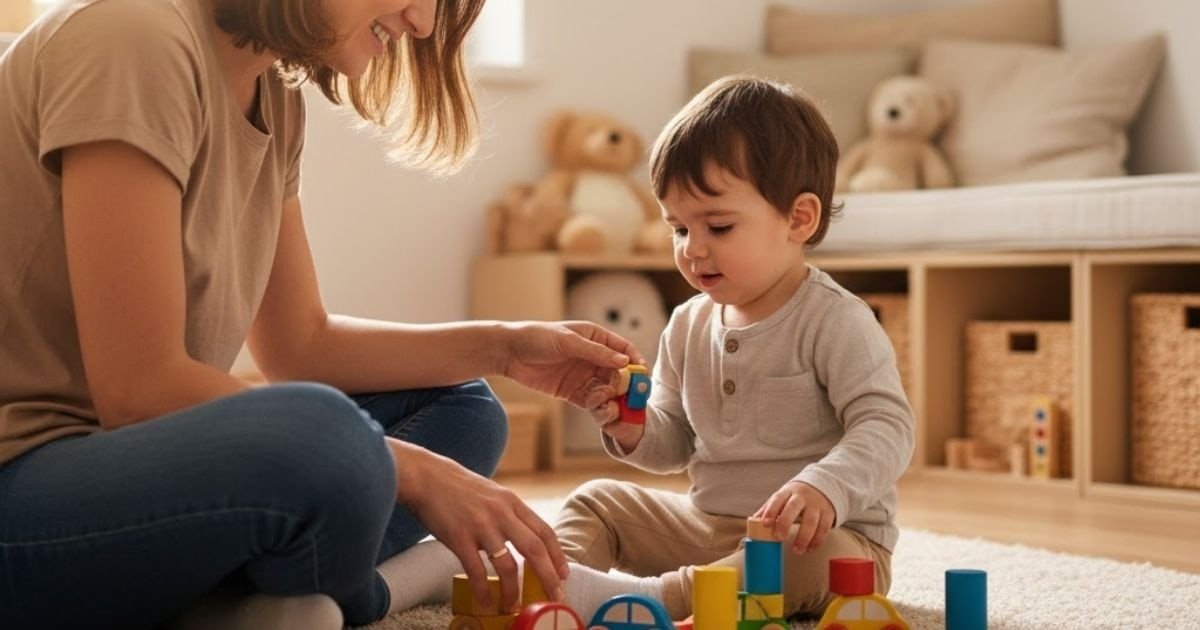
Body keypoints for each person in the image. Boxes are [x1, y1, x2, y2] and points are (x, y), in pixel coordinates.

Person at [0, 1, 644, 628]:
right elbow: (137, 387)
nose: (422, 23)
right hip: (23, 488)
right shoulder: (132, 34)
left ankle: (240, 602)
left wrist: (506, 346)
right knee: (326, 436)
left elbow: (300, 345)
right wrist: (408, 468)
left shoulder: (273, 97)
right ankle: (356, 596)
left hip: (129, 473)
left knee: (464, 411)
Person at [551, 75, 917, 621]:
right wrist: (632, 430)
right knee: (596, 501)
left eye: (718, 226)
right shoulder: (686, 322)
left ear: (799, 219)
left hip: (822, 539)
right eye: (678, 228)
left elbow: (888, 426)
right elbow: (674, 440)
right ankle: (554, 583)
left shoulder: (835, 318)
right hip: (710, 527)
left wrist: (825, 486)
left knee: (800, 557)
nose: (693, 249)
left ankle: (653, 601)